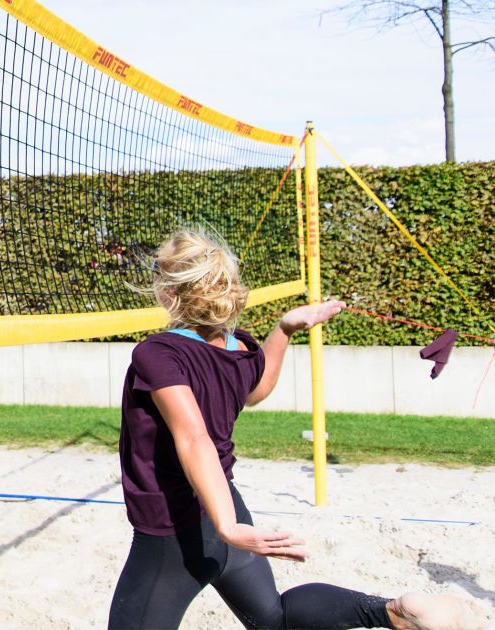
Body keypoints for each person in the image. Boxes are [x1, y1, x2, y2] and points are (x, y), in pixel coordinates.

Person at [108, 229, 484, 629]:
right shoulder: (239, 348)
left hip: (175, 528)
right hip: (226, 505)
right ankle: (392, 611)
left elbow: (194, 438)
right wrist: (284, 330)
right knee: (274, 618)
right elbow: (257, 389)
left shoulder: (158, 352)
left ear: (169, 293)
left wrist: (227, 526)